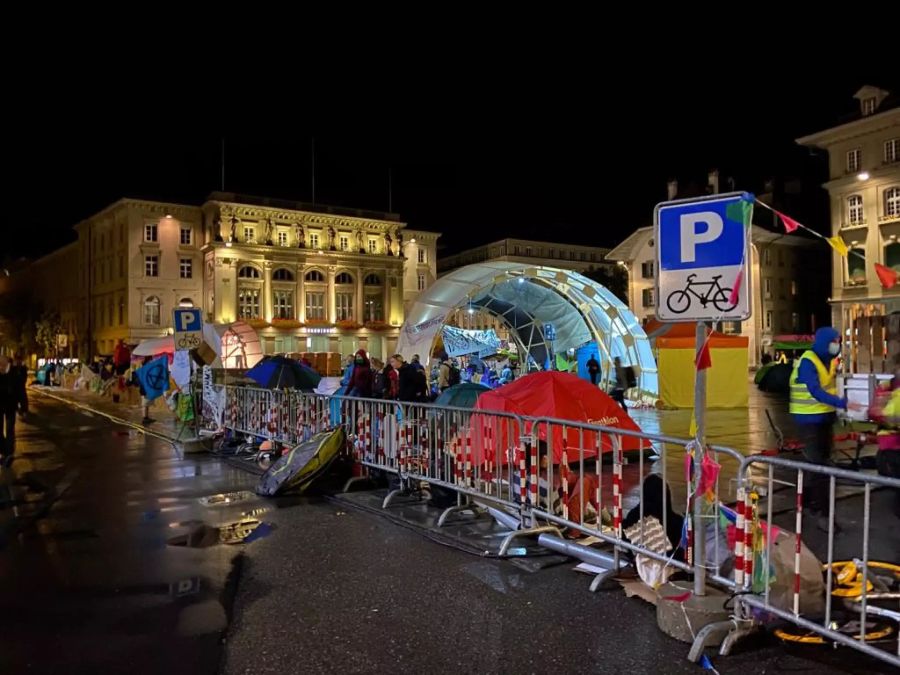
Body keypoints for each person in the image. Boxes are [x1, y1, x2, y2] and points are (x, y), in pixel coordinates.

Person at [789, 326, 862, 531]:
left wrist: (837, 410)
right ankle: (822, 513)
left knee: (820, 464)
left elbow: (828, 387)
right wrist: (842, 403)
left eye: (838, 342)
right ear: (825, 342)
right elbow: (815, 391)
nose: (836, 345)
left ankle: (807, 505)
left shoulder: (828, 361)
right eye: (835, 341)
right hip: (808, 421)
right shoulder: (808, 362)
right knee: (819, 465)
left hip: (824, 418)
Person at [0, 355, 18, 466]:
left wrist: (21, 404)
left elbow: (19, 389)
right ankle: (5, 451)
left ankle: (8, 453)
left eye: (4, 364)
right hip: (2, 406)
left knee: (10, 429)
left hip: (10, 406)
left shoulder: (13, 375)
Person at [12, 354, 28, 418]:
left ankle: (24, 411)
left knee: (23, 400)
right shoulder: (13, 368)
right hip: (15, 387)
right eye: (17, 360)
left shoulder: (23, 368)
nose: (19, 362)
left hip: (21, 387)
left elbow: (25, 377)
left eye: (20, 360)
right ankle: (17, 410)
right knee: (15, 400)